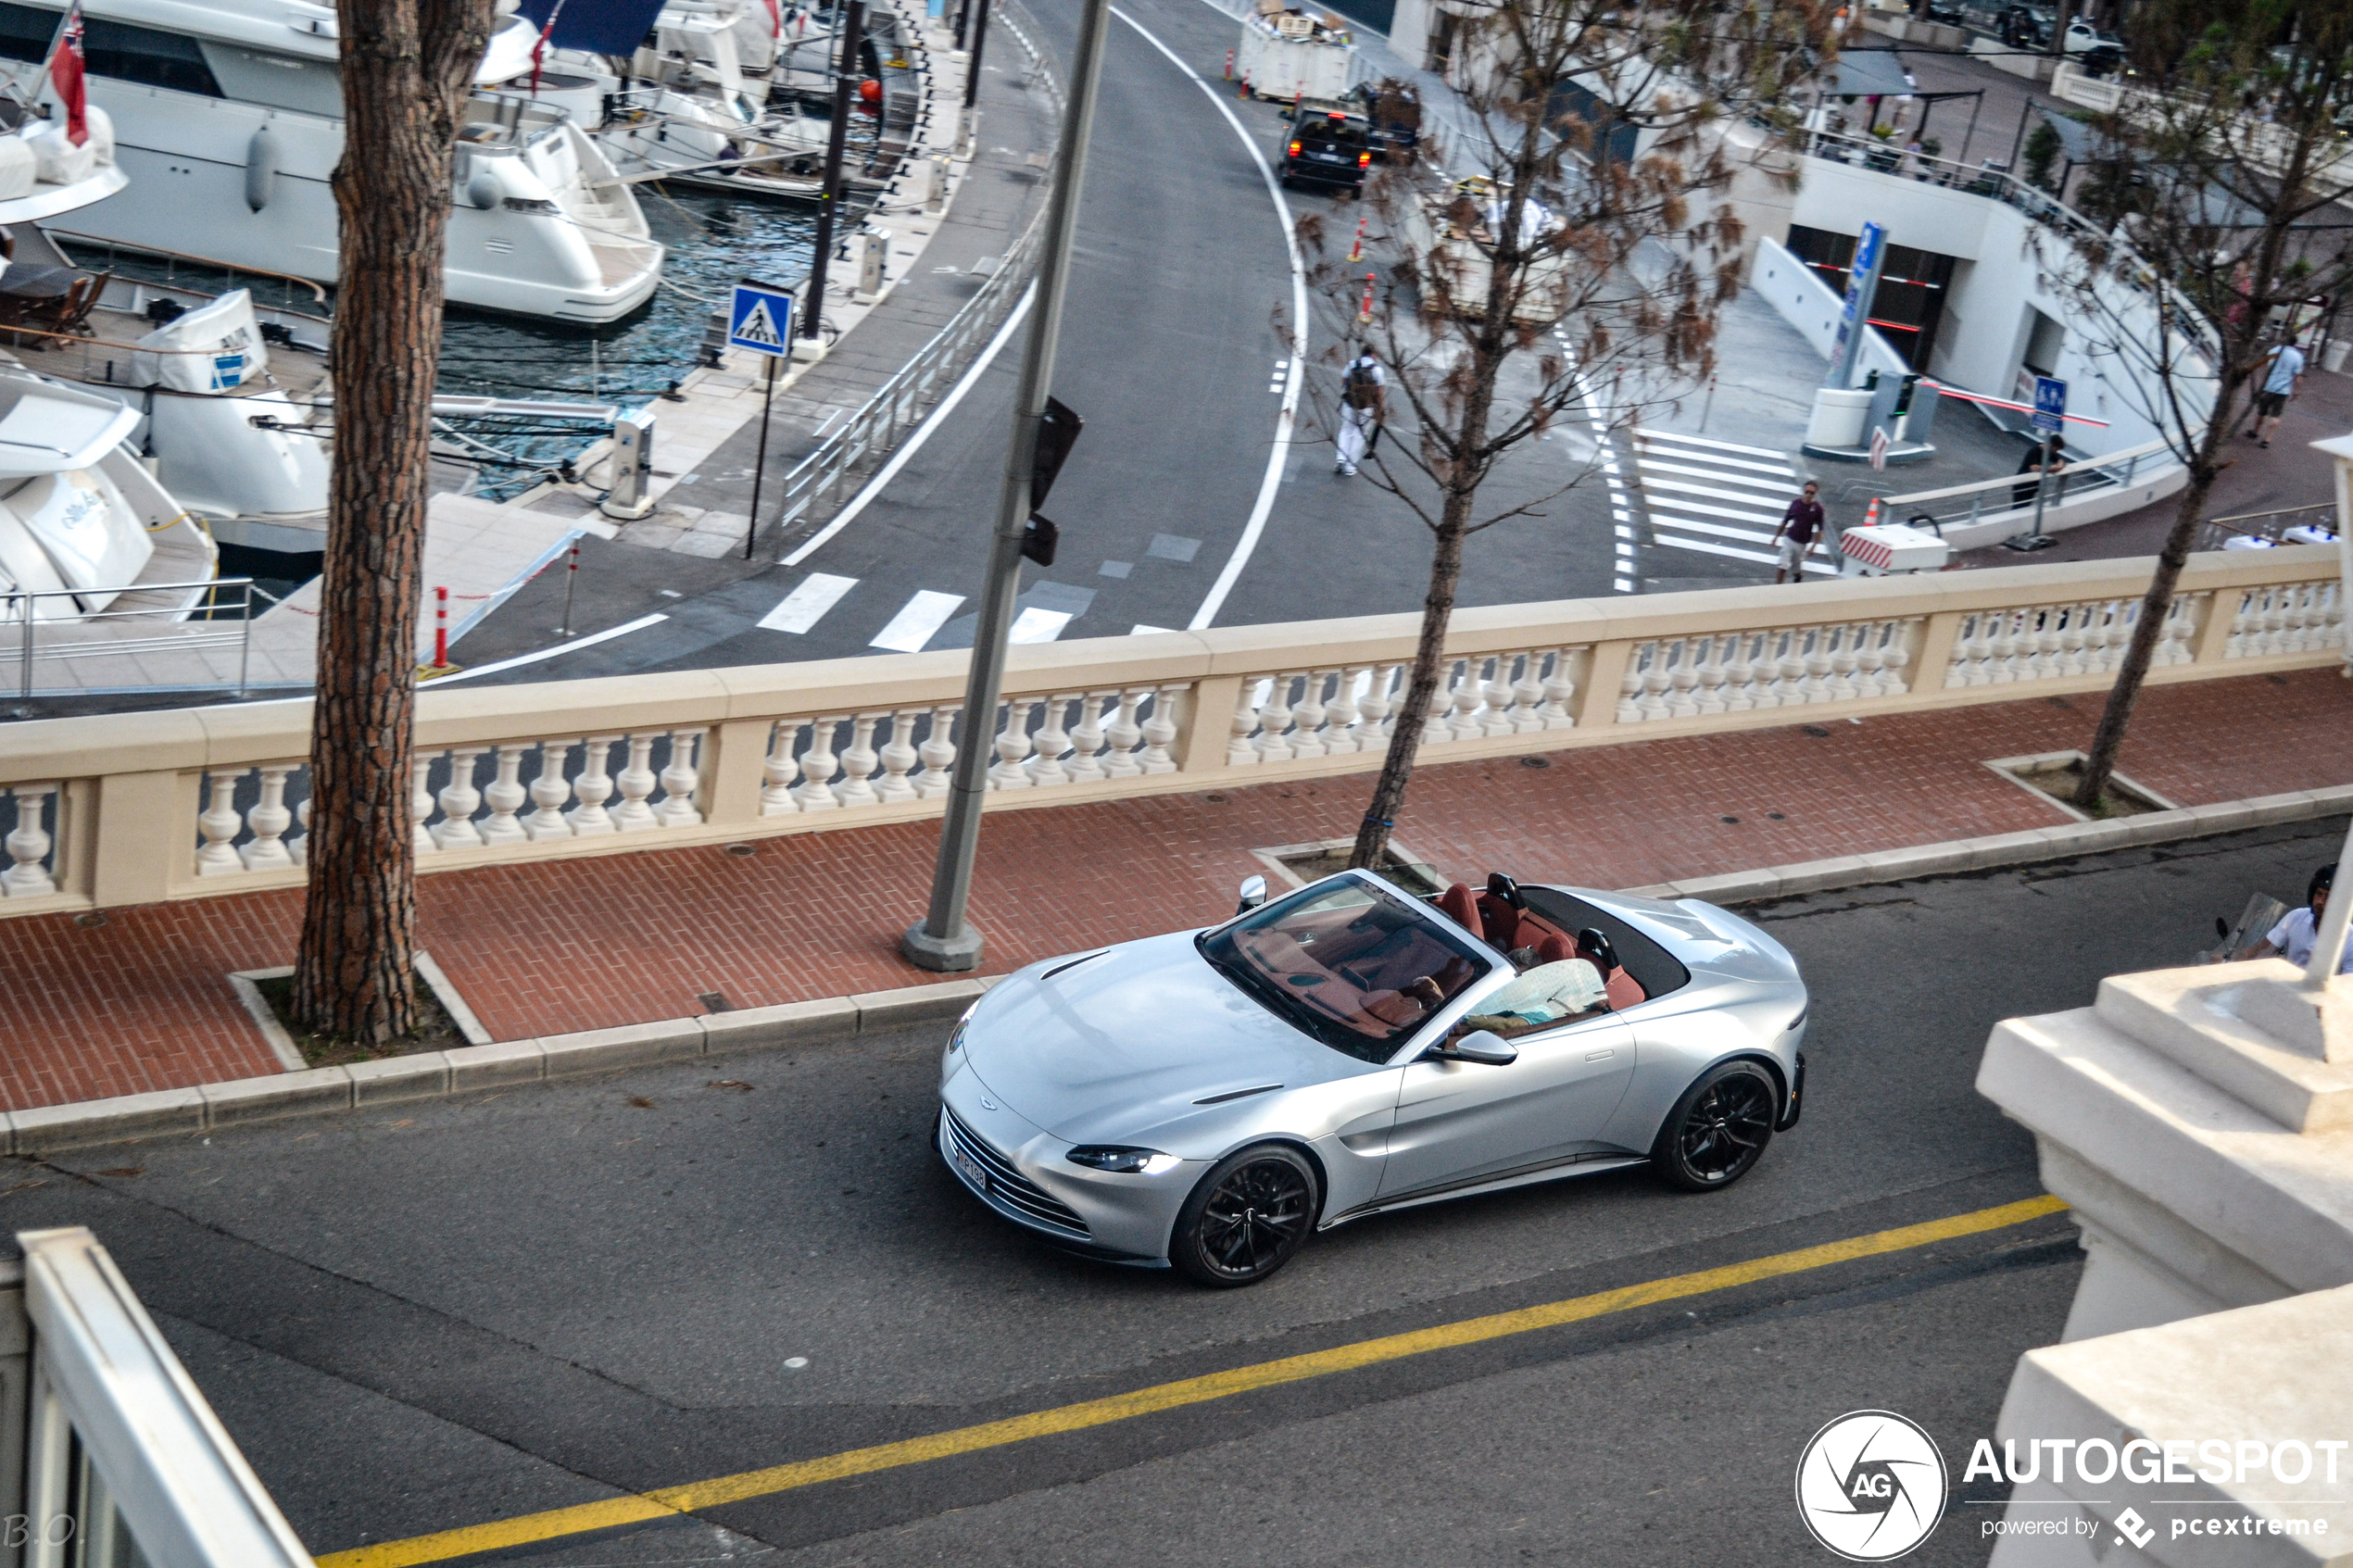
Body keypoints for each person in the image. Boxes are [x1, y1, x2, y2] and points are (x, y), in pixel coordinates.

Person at [1452, 956, 1610, 1040]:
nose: (1510, 984)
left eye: (1518, 979)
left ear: (1534, 982)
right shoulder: (1497, 988)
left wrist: (1464, 1019)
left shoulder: (1541, 1009)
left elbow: (1509, 1025)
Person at [2234, 863, 2353, 972]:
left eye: (2328, 897)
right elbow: (2260, 951)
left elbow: (2347, 987)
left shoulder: (2350, 940)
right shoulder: (2296, 918)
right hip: (2286, 988)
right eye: (2319, 894)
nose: (2320, 902)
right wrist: (2228, 961)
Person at [2246, 337, 2306, 448]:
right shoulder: (2298, 357)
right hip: (2283, 389)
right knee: (2276, 415)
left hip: (2269, 386)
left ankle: (2255, 431)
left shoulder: (2274, 350)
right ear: (2295, 343)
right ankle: (2267, 439)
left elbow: (2265, 365)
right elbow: (2297, 376)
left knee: (2262, 411)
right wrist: (2297, 391)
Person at [1336, 351, 1386, 476]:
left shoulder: (1352, 364)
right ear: (1373, 354)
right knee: (1359, 434)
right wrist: (1380, 408)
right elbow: (1379, 393)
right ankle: (1350, 466)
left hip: (1349, 404)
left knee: (1346, 430)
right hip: (1366, 407)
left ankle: (1340, 458)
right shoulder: (1377, 370)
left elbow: (1343, 382)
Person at [1770, 480, 1826, 583]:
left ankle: (1798, 577)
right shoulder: (1796, 504)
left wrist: (1813, 546)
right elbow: (1785, 521)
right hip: (1789, 538)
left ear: (1816, 493)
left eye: (1812, 493)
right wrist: (1776, 537)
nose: (1808, 495)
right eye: (1807, 492)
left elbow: (1820, 529)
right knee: (1783, 565)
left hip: (1802, 543)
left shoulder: (1818, 509)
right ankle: (1777, 588)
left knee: (1796, 568)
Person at [2011, 434, 2067, 511]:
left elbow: (2059, 460)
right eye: (2056, 450)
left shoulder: (2049, 452)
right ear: (2051, 446)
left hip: (2031, 486)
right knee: (2018, 508)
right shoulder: (2034, 451)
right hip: (2022, 485)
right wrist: (2052, 468)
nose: (2056, 452)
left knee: (2024, 508)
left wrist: (2059, 465)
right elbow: (2034, 468)